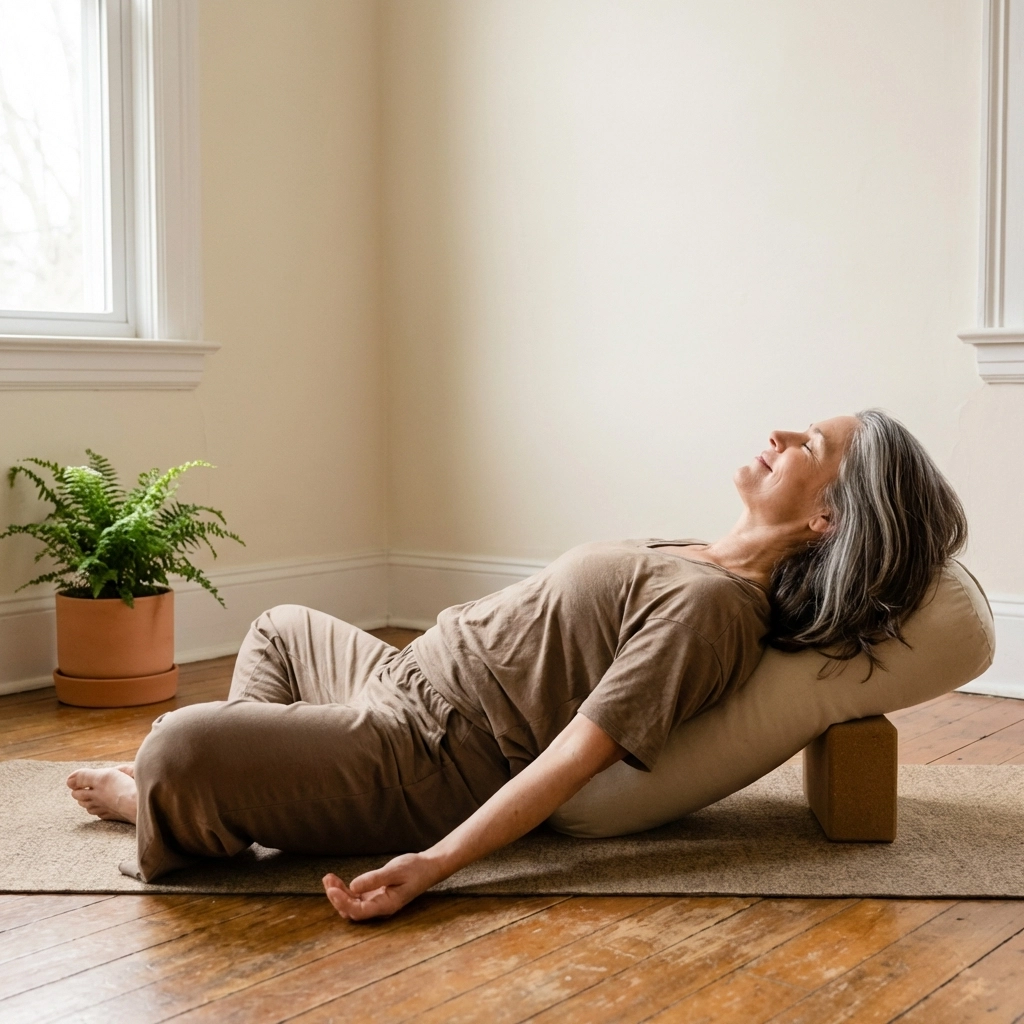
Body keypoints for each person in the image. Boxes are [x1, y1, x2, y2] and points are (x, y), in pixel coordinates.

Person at [66, 410, 967, 921]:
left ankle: (179, 794)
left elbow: (582, 751)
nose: (780, 432)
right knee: (276, 626)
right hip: (399, 675)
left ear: (828, 521)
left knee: (179, 746)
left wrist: (437, 862)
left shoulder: (712, 612)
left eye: (808, 444)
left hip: (423, 752)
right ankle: (252, 783)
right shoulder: (695, 554)